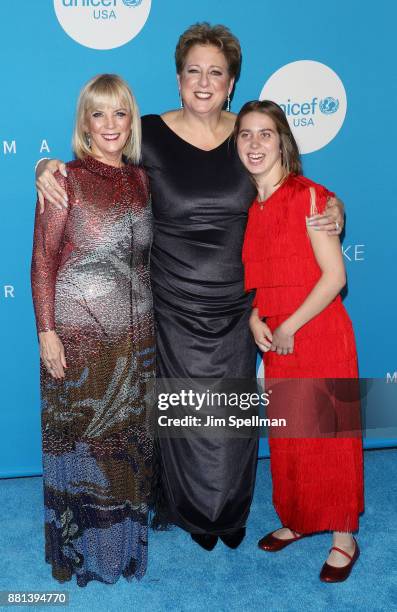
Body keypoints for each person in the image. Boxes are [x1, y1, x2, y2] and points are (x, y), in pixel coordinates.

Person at [34, 23, 344, 551]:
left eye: (216, 73)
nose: (204, 82)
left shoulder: (249, 135)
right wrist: (44, 167)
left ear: (231, 84)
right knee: (181, 416)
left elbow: (289, 186)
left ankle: (230, 511)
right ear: (178, 80)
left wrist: (334, 207)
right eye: (193, 71)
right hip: (171, 305)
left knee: (231, 423)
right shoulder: (146, 134)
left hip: (240, 307)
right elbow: (96, 161)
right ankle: (186, 509)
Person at [31, 74, 155, 586]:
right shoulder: (63, 180)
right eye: (98, 114)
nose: (110, 125)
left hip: (137, 341)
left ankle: (125, 548)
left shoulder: (144, 179)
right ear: (85, 122)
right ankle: (88, 553)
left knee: (129, 445)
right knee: (86, 450)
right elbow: (42, 261)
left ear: (131, 121)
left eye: (119, 113)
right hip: (80, 341)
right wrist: (46, 332)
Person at [236, 100, 363, 582]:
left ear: (283, 141)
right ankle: (300, 520)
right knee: (291, 438)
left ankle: (343, 536)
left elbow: (335, 277)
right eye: (245, 134)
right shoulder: (246, 209)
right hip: (275, 337)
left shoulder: (310, 197)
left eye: (265, 134)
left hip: (318, 330)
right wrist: (253, 319)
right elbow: (252, 281)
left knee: (329, 436)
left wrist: (290, 324)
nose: (254, 143)